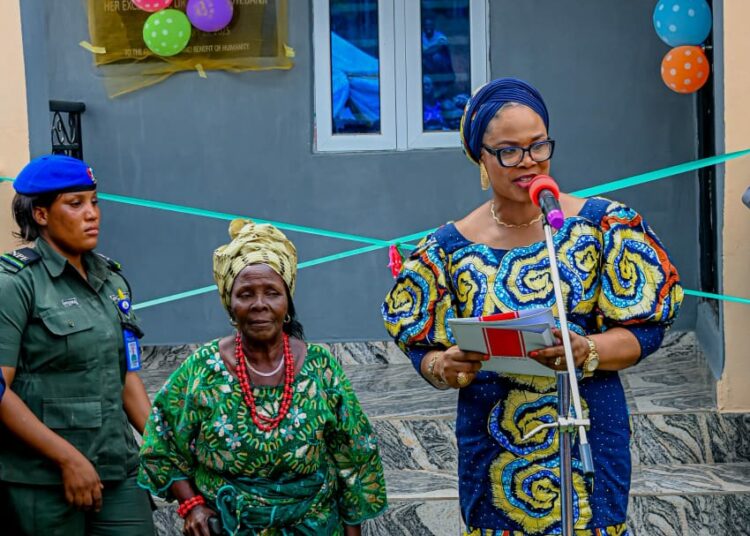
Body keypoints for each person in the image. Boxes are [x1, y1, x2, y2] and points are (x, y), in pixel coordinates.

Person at [382, 78, 683, 535]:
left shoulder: (602, 227)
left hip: (588, 434)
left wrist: (588, 348)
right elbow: (422, 347)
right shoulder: (447, 249)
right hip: (495, 448)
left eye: (538, 145)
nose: (528, 161)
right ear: (480, 158)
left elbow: (647, 328)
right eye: (508, 150)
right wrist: (445, 365)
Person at [138, 219, 387, 535]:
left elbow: (355, 456)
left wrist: (352, 530)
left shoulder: (322, 369)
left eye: (272, 292)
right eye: (246, 294)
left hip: (314, 527)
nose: (259, 304)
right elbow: (161, 442)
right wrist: (192, 505)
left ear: (287, 302)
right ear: (230, 304)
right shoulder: (202, 370)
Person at [0, 154, 155, 535]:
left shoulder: (110, 280)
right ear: (40, 215)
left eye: (94, 202)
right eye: (75, 204)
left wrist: (161, 447)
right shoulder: (16, 283)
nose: (92, 214)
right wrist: (68, 459)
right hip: (43, 479)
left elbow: (127, 375)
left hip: (116, 468)